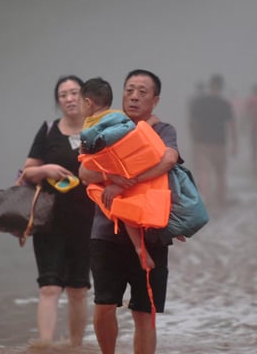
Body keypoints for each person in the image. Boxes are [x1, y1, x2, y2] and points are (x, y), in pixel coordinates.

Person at [79, 69, 182, 354]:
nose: (134, 97)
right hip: (106, 230)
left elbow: (168, 160)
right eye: (129, 90)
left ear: (155, 99)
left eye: (142, 92)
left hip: (152, 232)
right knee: (103, 305)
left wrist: (131, 179)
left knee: (143, 312)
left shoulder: (163, 131)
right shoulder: (103, 126)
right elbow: (84, 170)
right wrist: (111, 179)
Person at [16, 75, 95, 347]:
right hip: (49, 220)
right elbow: (27, 171)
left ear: (86, 98)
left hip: (87, 220)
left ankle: (76, 347)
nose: (69, 99)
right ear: (58, 101)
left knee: (78, 289)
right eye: (63, 95)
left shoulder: (96, 130)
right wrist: (45, 170)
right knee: (49, 286)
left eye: (74, 93)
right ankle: (45, 346)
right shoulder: (48, 130)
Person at [78, 77, 163, 271]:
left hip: (115, 170)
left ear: (88, 103)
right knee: (124, 209)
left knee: (121, 209)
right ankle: (140, 248)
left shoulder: (91, 125)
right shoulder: (114, 116)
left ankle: (140, 248)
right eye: (130, 91)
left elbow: (131, 134)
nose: (134, 98)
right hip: (116, 171)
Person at [189, 74, 236, 205]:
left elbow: (193, 123)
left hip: (203, 142)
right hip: (220, 143)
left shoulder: (199, 103)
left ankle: (207, 200)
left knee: (205, 171)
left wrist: (195, 140)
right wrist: (235, 144)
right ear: (221, 87)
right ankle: (220, 198)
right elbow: (232, 125)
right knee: (220, 172)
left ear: (210, 86)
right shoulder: (225, 104)